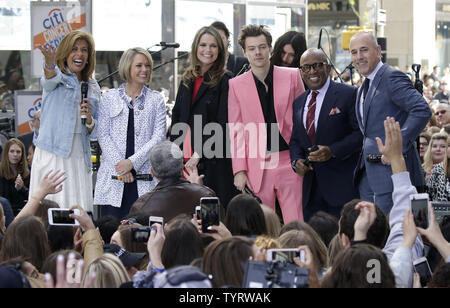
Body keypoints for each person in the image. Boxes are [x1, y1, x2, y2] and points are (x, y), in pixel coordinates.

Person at [228, 24, 305, 223]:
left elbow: (303, 118)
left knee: (295, 222)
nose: (258, 52)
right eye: (252, 48)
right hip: (257, 164)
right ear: (245, 52)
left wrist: (304, 156)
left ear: (270, 48)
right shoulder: (235, 85)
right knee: (263, 225)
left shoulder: (292, 76)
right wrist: (239, 170)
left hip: (290, 160)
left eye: (262, 47)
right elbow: (236, 130)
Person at [350, 32, 431, 214]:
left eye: (364, 50)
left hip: (394, 176)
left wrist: (395, 147)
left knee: (397, 235)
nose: (358, 57)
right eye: (354, 52)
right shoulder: (365, 85)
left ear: (378, 51)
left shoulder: (391, 77)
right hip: (369, 177)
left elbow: (422, 110)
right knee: (376, 237)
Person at [290, 48, 362, 221]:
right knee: (315, 244)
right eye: (306, 67)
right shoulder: (299, 102)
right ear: (301, 72)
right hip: (310, 191)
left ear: (328, 68)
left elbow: (360, 134)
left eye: (317, 65)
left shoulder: (349, 94)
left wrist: (332, 150)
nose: (312, 71)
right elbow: (296, 140)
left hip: (341, 189)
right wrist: (296, 161)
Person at [94, 47, 166, 220]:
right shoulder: (110, 97)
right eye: (139, 65)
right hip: (114, 179)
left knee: (142, 234)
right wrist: (122, 167)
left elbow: (159, 137)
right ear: (128, 67)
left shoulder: (156, 100)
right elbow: (103, 135)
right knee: (112, 234)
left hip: (144, 180)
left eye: (147, 65)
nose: (145, 70)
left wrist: (131, 163)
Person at [170, 26, 239, 208]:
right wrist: (175, 154)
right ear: (195, 47)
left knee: (211, 214)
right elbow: (177, 116)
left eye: (213, 46)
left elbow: (222, 123)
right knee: (187, 212)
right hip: (185, 158)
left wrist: (198, 154)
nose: (207, 50)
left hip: (212, 160)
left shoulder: (226, 79)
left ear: (220, 50)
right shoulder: (187, 78)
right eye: (203, 45)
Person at [31, 30, 100, 211]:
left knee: (76, 212)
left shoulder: (92, 86)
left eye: (84, 50)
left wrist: (90, 119)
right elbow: (49, 79)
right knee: (53, 210)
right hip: (54, 152)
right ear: (66, 53)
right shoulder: (58, 77)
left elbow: (97, 131)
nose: (79, 54)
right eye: (74, 49)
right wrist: (49, 62)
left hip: (79, 154)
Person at [129, 141, 215, 224]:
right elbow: (215, 230)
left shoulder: (140, 206)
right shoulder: (206, 196)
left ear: (152, 171)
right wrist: (199, 189)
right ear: (182, 167)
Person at [0, 138, 30, 216]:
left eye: (18, 152)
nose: (15, 155)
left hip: (22, 212)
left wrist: (22, 188)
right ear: (6, 153)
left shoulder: (27, 173)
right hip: (4, 212)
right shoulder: (1, 171)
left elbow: (32, 196)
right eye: (12, 151)